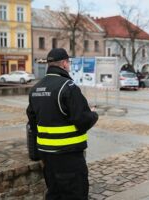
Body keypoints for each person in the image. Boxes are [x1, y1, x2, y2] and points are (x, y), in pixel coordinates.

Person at [27, 48, 98, 200]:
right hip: (68, 156)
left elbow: (32, 123)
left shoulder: (35, 89)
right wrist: (93, 114)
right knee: (75, 194)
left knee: (54, 193)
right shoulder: (67, 87)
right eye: (69, 62)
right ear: (65, 63)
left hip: (47, 155)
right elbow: (83, 120)